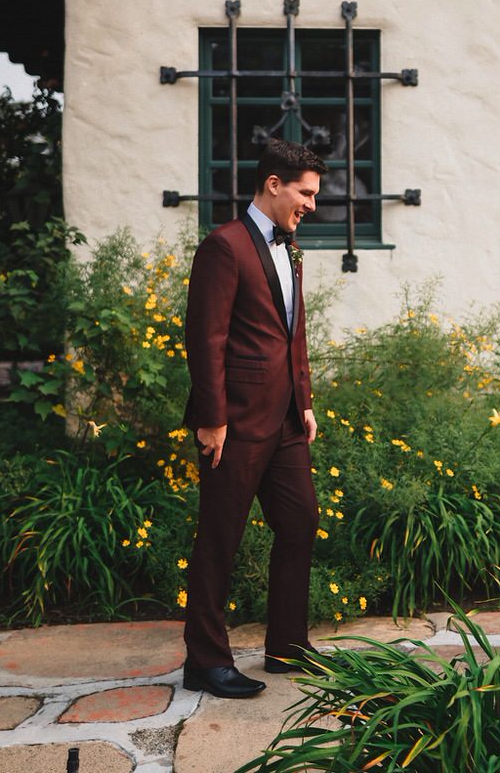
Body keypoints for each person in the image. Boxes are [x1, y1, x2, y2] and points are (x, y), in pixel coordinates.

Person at [181, 139, 327, 698]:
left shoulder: (289, 248)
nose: (312, 204)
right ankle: (207, 661)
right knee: (221, 536)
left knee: (299, 522)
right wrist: (213, 418)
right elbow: (206, 338)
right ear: (273, 184)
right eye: (305, 192)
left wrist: (306, 401)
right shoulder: (224, 246)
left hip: (288, 420)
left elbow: (294, 330)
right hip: (235, 422)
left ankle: (287, 648)